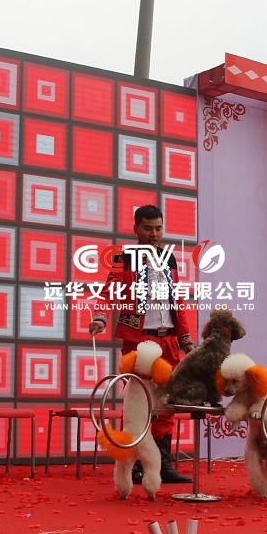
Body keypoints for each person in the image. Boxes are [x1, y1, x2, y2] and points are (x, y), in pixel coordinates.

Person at [89, 205, 194, 484]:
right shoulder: (123, 258)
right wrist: (100, 317)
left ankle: (162, 465)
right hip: (139, 340)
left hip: (168, 339)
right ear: (135, 229)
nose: (154, 234)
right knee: (138, 403)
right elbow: (108, 292)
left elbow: (177, 302)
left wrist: (185, 340)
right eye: (148, 228)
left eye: (158, 228)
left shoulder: (169, 259)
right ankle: (136, 464)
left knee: (167, 402)